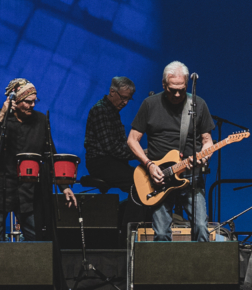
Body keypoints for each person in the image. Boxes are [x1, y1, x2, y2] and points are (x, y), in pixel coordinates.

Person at [0, 79, 75, 242]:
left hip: (27, 191)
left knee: (37, 241)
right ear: (15, 101)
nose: (32, 105)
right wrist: (2, 115)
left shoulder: (41, 120)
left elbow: (50, 154)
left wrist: (64, 186)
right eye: (28, 102)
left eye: (34, 101)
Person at [128, 62, 214, 241]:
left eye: (181, 90)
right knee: (160, 233)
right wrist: (149, 165)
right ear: (163, 84)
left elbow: (207, 141)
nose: (177, 94)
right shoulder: (149, 104)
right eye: (172, 89)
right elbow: (132, 140)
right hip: (158, 177)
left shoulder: (198, 104)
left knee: (201, 229)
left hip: (190, 177)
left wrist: (204, 158)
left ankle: (201, 268)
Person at [82, 77, 138, 190]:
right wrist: (139, 154)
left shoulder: (112, 111)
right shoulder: (100, 110)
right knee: (139, 182)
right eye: (123, 98)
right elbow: (111, 147)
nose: (126, 102)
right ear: (112, 91)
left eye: (129, 99)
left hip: (111, 162)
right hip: (101, 163)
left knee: (142, 177)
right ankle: (126, 208)